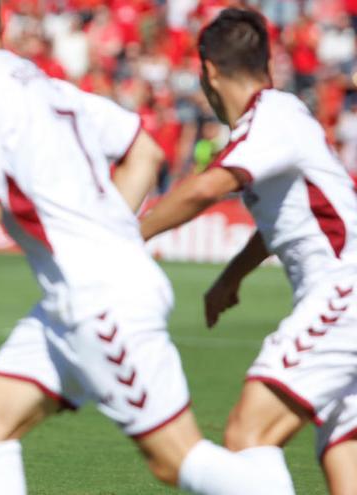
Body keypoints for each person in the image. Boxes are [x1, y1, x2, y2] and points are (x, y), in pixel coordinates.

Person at [0, 1, 295, 493]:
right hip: (77, 296)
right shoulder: (42, 82)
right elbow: (144, 151)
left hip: (99, 298)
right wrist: (115, 238)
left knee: (176, 459)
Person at [140, 8, 357, 495]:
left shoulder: (270, 117)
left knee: (247, 435)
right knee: (346, 458)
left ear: (209, 71)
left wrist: (128, 236)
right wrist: (230, 277)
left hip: (344, 294)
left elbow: (203, 190)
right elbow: (283, 223)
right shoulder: (282, 119)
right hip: (344, 297)